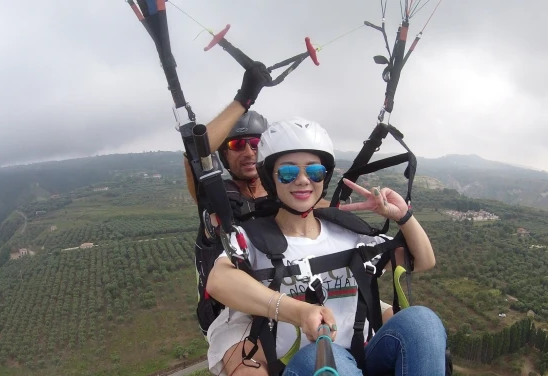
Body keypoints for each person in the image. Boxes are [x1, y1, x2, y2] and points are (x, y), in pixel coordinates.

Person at [206, 118, 447, 375]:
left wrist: (403, 217)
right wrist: (298, 312)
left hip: (362, 356)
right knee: (316, 357)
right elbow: (219, 281)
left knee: (422, 321)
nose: (302, 180)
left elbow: (422, 261)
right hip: (304, 364)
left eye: (314, 172)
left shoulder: (348, 233)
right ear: (270, 178)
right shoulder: (253, 239)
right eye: (288, 172)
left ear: (324, 177)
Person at [185, 64, 331, 336]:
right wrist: (244, 98)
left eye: (256, 143)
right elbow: (196, 152)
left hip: (285, 306)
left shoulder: (286, 193)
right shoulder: (214, 195)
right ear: (224, 155)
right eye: (237, 145)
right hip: (229, 312)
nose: (249, 152)